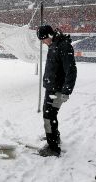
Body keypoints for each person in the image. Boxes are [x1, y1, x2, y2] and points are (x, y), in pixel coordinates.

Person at [36, 25, 77, 157]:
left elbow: (71, 69)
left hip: (57, 90)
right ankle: (54, 137)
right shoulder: (54, 44)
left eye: (44, 39)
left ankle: (53, 148)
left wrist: (66, 91)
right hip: (51, 87)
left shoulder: (63, 46)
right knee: (49, 115)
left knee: (49, 116)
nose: (43, 42)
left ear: (50, 35)